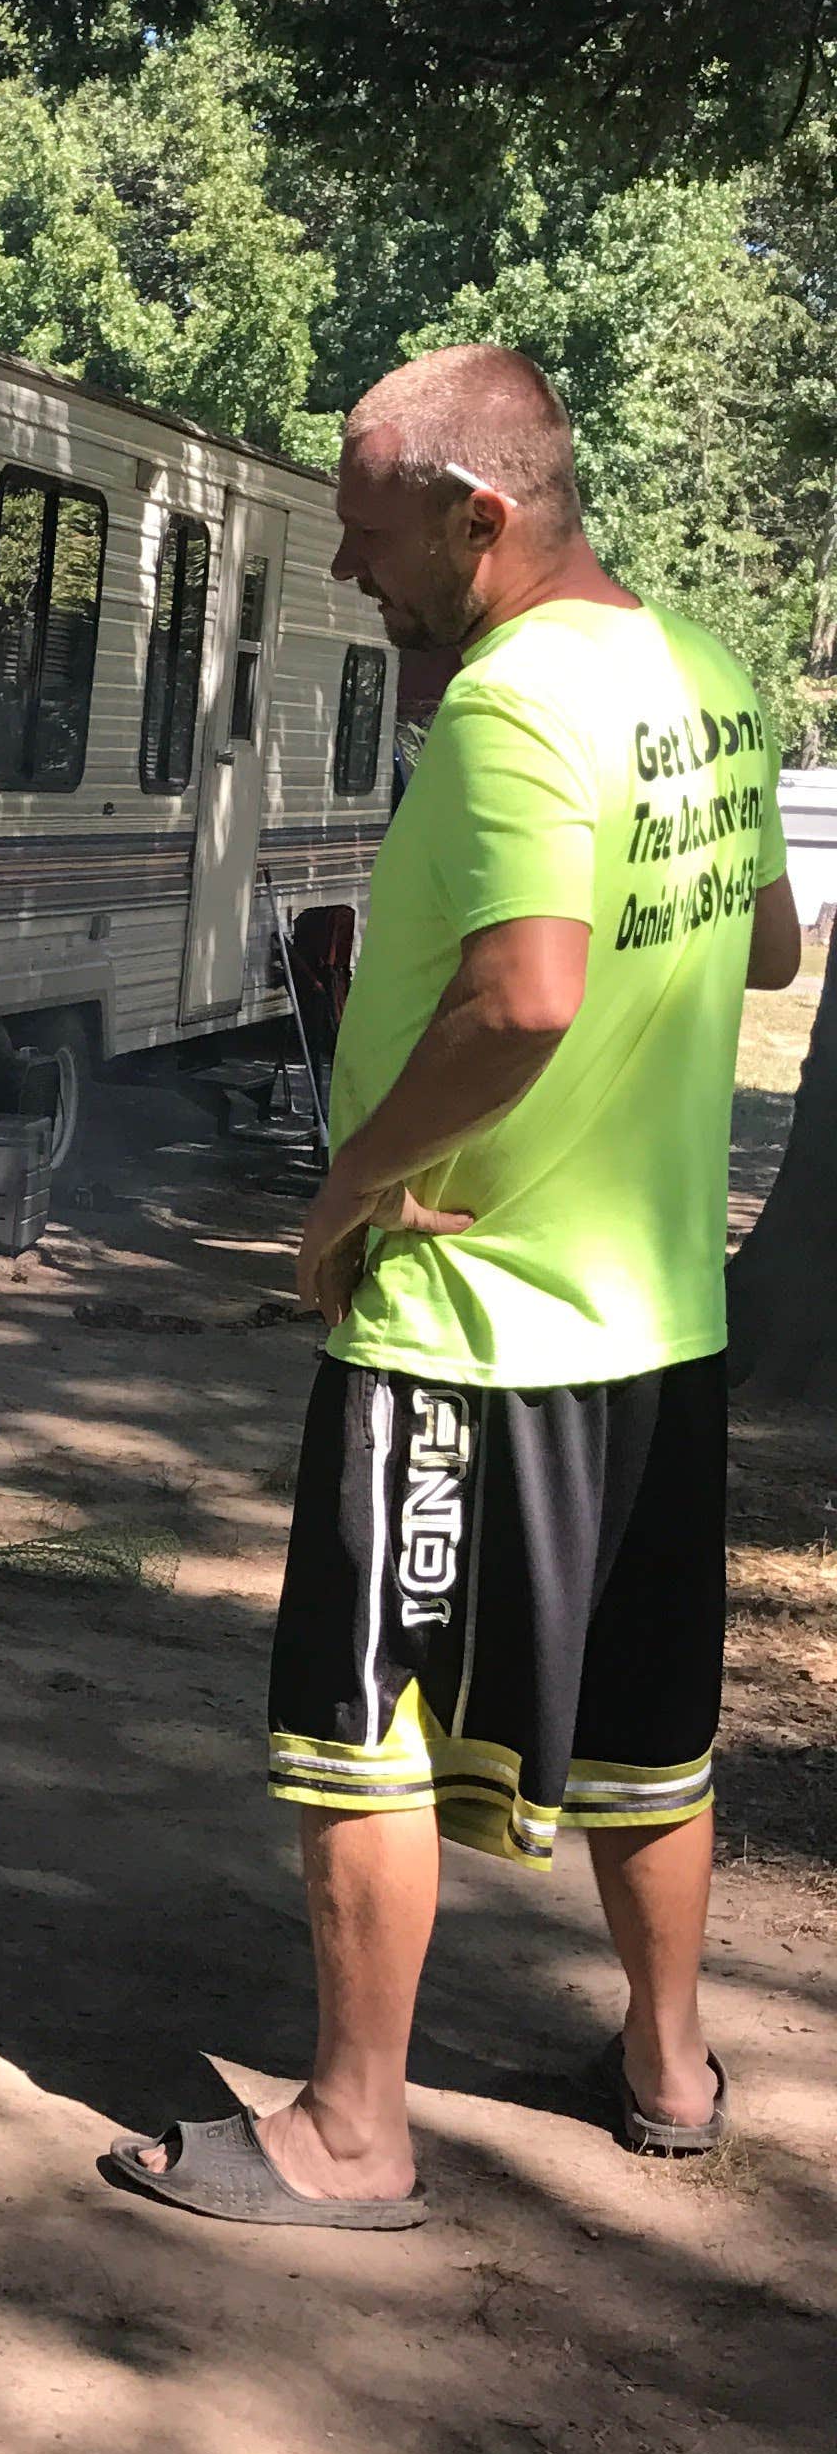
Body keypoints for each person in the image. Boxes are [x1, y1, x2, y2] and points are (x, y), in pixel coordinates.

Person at [108, 344, 802, 2232]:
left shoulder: (508, 711)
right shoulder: (703, 677)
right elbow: (764, 944)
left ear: (472, 517)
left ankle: (348, 2130)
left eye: (362, 527)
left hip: (468, 1318)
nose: (346, 564)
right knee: (648, 1722)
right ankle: (664, 2067)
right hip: (656, 1317)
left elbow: (526, 995)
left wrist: (347, 1184)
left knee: (367, 1722)